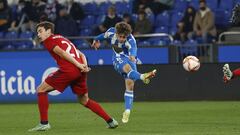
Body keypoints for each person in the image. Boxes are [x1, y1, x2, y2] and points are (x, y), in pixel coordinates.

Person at [28, 21, 118, 131]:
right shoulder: (61, 38)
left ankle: (44, 123)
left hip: (69, 70)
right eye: (37, 32)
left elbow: (62, 53)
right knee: (84, 100)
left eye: (40, 31)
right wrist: (84, 65)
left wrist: (78, 64)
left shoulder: (49, 41)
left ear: (48, 31)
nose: (38, 34)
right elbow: (81, 54)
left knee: (40, 90)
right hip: (80, 71)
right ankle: (111, 121)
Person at [91, 22, 157, 123]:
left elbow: (133, 51)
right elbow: (101, 36)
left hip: (129, 59)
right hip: (117, 59)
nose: (121, 39)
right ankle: (143, 76)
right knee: (127, 68)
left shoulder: (131, 41)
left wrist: (133, 56)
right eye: (120, 36)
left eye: (124, 37)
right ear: (116, 33)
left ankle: (127, 111)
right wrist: (96, 40)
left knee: (130, 85)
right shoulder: (111, 32)